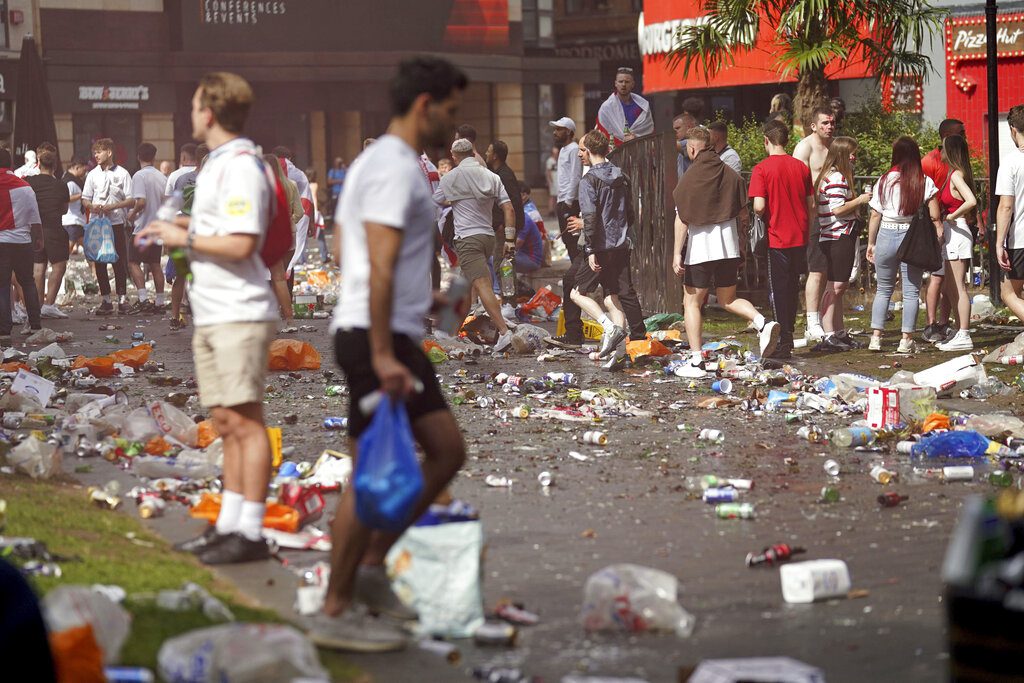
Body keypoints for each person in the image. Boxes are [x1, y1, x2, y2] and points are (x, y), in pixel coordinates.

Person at [314, 56, 469, 653]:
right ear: (424, 105)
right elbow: (375, 262)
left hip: (390, 329)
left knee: (435, 454)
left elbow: (355, 250)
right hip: (374, 340)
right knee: (381, 472)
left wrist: (419, 297)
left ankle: (368, 574)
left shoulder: (391, 165)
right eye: (451, 111)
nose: (454, 124)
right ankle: (339, 602)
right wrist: (382, 351)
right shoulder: (392, 167)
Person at [137, 71, 278, 564]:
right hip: (215, 307)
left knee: (245, 422)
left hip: (239, 311)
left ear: (210, 112)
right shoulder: (219, 163)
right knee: (224, 420)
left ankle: (250, 532)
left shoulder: (240, 164)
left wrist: (186, 239)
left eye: (196, 105)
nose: (191, 113)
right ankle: (230, 525)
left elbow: (244, 242)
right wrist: (186, 225)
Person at [672, 126, 780, 377]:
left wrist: (677, 253)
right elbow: (744, 215)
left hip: (701, 249)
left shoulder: (690, 177)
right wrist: (741, 244)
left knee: (692, 301)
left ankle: (697, 361)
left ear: (691, 148)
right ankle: (762, 322)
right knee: (728, 299)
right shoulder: (730, 174)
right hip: (728, 247)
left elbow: (682, 220)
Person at [571, 129, 644, 368]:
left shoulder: (589, 180)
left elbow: (590, 218)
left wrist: (591, 250)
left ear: (591, 151)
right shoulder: (621, 176)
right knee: (613, 297)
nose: (580, 154)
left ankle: (610, 328)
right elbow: (630, 212)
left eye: (582, 150)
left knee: (577, 293)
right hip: (621, 244)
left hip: (600, 247)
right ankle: (619, 353)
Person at [434, 137, 515, 351]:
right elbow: (509, 209)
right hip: (488, 238)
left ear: (454, 156)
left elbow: (434, 201)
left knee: (482, 285)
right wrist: (509, 239)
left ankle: (505, 333)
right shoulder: (491, 176)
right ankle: (448, 331)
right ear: (472, 152)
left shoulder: (450, 178)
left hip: (467, 239)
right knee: (464, 287)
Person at [866, 136, 943, 353]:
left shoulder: (883, 180)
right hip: (912, 237)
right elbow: (935, 215)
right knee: (911, 292)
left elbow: (874, 215)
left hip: (886, 234)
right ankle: (905, 339)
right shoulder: (923, 180)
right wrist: (938, 236)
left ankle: (876, 337)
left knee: (883, 290)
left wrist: (871, 243)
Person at [748, 119, 813, 359]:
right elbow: (811, 204)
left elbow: (758, 206)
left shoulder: (762, 169)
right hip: (800, 235)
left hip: (777, 237)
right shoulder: (801, 167)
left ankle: (783, 340)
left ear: (766, 140)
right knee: (792, 288)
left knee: (778, 289)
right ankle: (789, 334)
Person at [813, 136, 872, 352]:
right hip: (837, 236)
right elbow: (838, 209)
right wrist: (861, 200)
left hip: (836, 235)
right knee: (835, 286)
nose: (854, 157)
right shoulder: (837, 177)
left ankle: (838, 331)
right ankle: (829, 332)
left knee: (840, 286)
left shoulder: (832, 176)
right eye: (851, 153)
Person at [920, 118, 966, 342]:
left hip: (952, 223)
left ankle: (944, 322)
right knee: (938, 276)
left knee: (949, 278)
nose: (965, 135)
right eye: (961, 132)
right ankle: (931, 324)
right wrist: (935, 222)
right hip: (937, 223)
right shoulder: (930, 161)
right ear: (947, 135)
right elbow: (925, 193)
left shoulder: (957, 158)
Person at [793, 106, 836, 341]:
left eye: (831, 123)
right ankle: (812, 321)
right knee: (817, 270)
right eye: (825, 123)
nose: (829, 127)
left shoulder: (834, 145)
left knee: (833, 272)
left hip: (835, 215)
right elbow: (796, 181)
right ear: (813, 126)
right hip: (814, 215)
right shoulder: (805, 147)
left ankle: (831, 324)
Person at [934, 134, 977, 351]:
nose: (939, 152)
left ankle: (964, 333)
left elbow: (971, 200)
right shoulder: (955, 174)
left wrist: (951, 216)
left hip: (957, 230)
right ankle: (960, 330)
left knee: (958, 285)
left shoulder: (956, 175)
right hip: (953, 232)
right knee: (950, 285)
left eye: (942, 148)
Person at [544, 116, 585, 349]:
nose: (555, 133)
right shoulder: (565, 151)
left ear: (568, 132)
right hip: (563, 202)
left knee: (574, 257)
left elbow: (574, 178)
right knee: (572, 255)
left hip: (568, 204)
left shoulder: (571, 150)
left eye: (559, 130)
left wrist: (568, 203)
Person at [82, 138, 134, 315]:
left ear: (109, 152)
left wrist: (114, 206)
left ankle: (122, 299)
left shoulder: (123, 173)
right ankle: (105, 300)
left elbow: (131, 199)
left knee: (119, 261)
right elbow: (85, 198)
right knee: (99, 261)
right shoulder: (92, 174)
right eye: (94, 152)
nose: (96, 155)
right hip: (97, 222)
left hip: (116, 223)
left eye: (99, 151)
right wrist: (91, 206)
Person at [0, 148, 43, 343]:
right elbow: (35, 219)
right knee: (27, 282)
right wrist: (39, 239)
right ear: (9, 164)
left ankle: (4, 330)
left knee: (2, 285)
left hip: (1, 243)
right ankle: (35, 324)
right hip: (23, 241)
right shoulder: (25, 187)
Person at [26, 149, 70, 319]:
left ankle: (37, 306)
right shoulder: (61, 185)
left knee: (38, 268)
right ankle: (49, 304)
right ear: (55, 166)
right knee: (59, 266)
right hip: (54, 229)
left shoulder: (30, 182)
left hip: (35, 229)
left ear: (39, 163)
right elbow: (65, 210)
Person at [126, 142, 168, 313]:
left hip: (142, 228)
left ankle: (143, 298)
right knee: (155, 264)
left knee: (132, 261)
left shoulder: (138, 176)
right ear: (154, 157)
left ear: (138, 157)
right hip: (157, 227)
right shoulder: (162, 177)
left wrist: (132, 213)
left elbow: (141, 201)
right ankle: (159, 301)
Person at [264, 154, 303, 330]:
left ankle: (288, 319)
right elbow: (300, 212)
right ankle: (275, 317)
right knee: (278, 277)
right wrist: (290, 220)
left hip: (273, 235)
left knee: (278, 278)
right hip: (291, 236)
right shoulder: (290, 185)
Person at [996, 105, 1024, 334]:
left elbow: (1006, 205)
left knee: (1008, 293)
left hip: (1020, 237)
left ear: (1013, 129)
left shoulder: (1011, 162)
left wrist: (999, 243)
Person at [485, 140, 524, 302]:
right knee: (501, 263)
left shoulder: (504, 175)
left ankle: (510, 302)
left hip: (505, 229)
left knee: (504, 264)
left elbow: (512, 204)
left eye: (488, 151)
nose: (486, 153)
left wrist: (504, 226)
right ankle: (508, 299)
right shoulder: (498, 173)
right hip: (501, 227)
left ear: (495, 156)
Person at [595, 67, 654, 147]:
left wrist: (635, 137)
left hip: (639, 151)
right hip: (614, 152)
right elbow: (602, 134)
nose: (623, 84)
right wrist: (622, 139)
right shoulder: (606, 108)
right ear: (615, 83)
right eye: (620, 81)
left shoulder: (643, 106)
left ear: (633, 84)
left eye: (627, 82)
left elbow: (648, 131)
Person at [515, 182, 544, 274]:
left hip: (532, 258)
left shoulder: (528, 214)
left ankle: (497, 288)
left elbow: (518, 242)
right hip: (523, 253)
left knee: (497, 260)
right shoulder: (523, 212)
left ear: (523, 195)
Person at [61, 156, 88, 254]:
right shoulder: (69, 182)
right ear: (77, 168)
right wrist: (81, 195)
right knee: (67, 250)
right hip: (72, 221)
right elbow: (65, 199)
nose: (85, 172)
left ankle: (94, 268)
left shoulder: (76, 181)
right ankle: (58, 267)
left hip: (78, 221)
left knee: (88, 249)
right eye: (84, 170)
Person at [672, 111, 698, 179]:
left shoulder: (695, 141)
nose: (674, 132)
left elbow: (668, 144)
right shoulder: (681, 142)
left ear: (689, 127)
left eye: (678, 128)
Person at [545, 146, 559, 216]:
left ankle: (556, 210)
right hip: (553, 181)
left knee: (557, 196)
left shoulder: (558, 160)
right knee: (552, 196)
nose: (556, 154)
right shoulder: (550, 160)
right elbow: (548, 172)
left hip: (558, 181)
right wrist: (550, 181)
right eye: (554, 153)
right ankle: (551, 211)